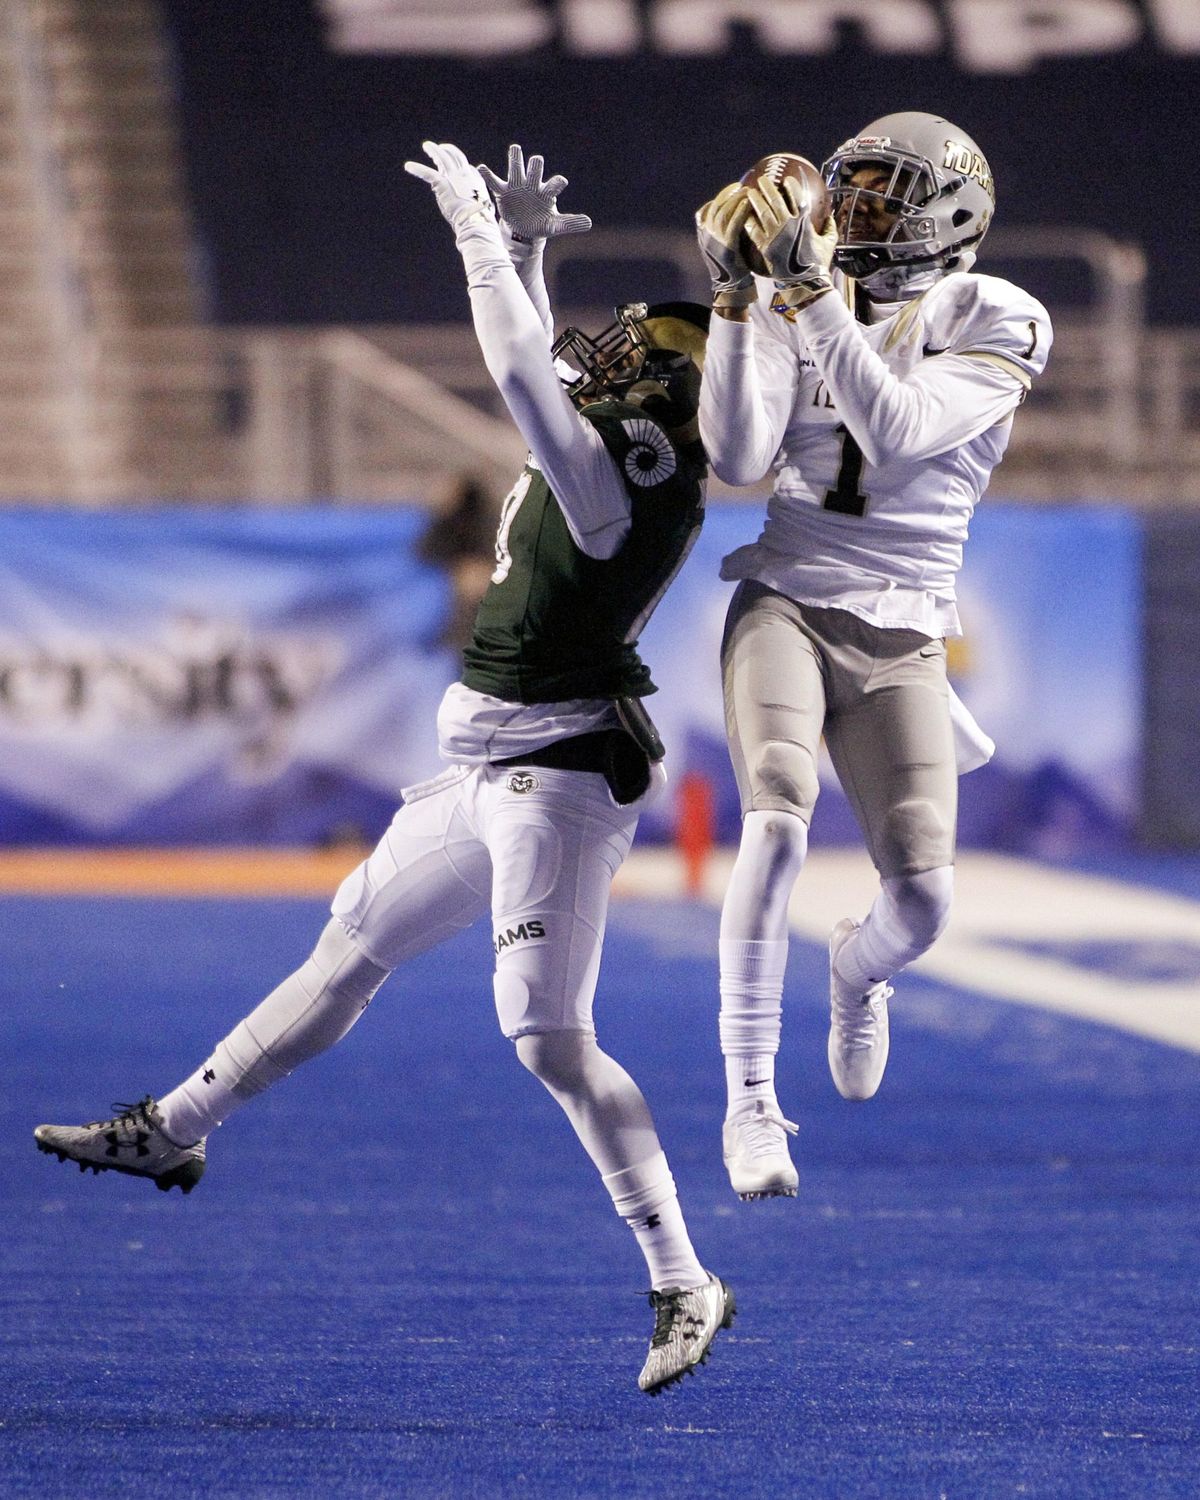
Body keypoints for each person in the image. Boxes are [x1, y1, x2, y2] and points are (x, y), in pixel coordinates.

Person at [35, 141, 732, 1395]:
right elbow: (538, 378)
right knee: (349, 944)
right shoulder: (626, 458)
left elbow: (523, 371)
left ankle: (684, 1277)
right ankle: (176, 1131)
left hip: (557, 777)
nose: (616, 352)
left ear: (674, 405)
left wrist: (479, 239)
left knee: (546, 1038)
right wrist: (524, 254)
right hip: (494, 759)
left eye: (646, 354)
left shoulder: (626, 478)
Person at [693, 113, 1052, 1200]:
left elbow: (893, 426)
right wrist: (735, 300)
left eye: (882, 197)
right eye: (847, 191)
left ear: (949, 217)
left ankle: (857, 973)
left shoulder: (994, 313)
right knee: (775, 813)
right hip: (787, 594)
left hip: (900, 621)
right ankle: (751, 1101)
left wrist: (803, 298)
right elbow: (738, 456)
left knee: (926, 901)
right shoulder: (805, 286)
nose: (852, 215)